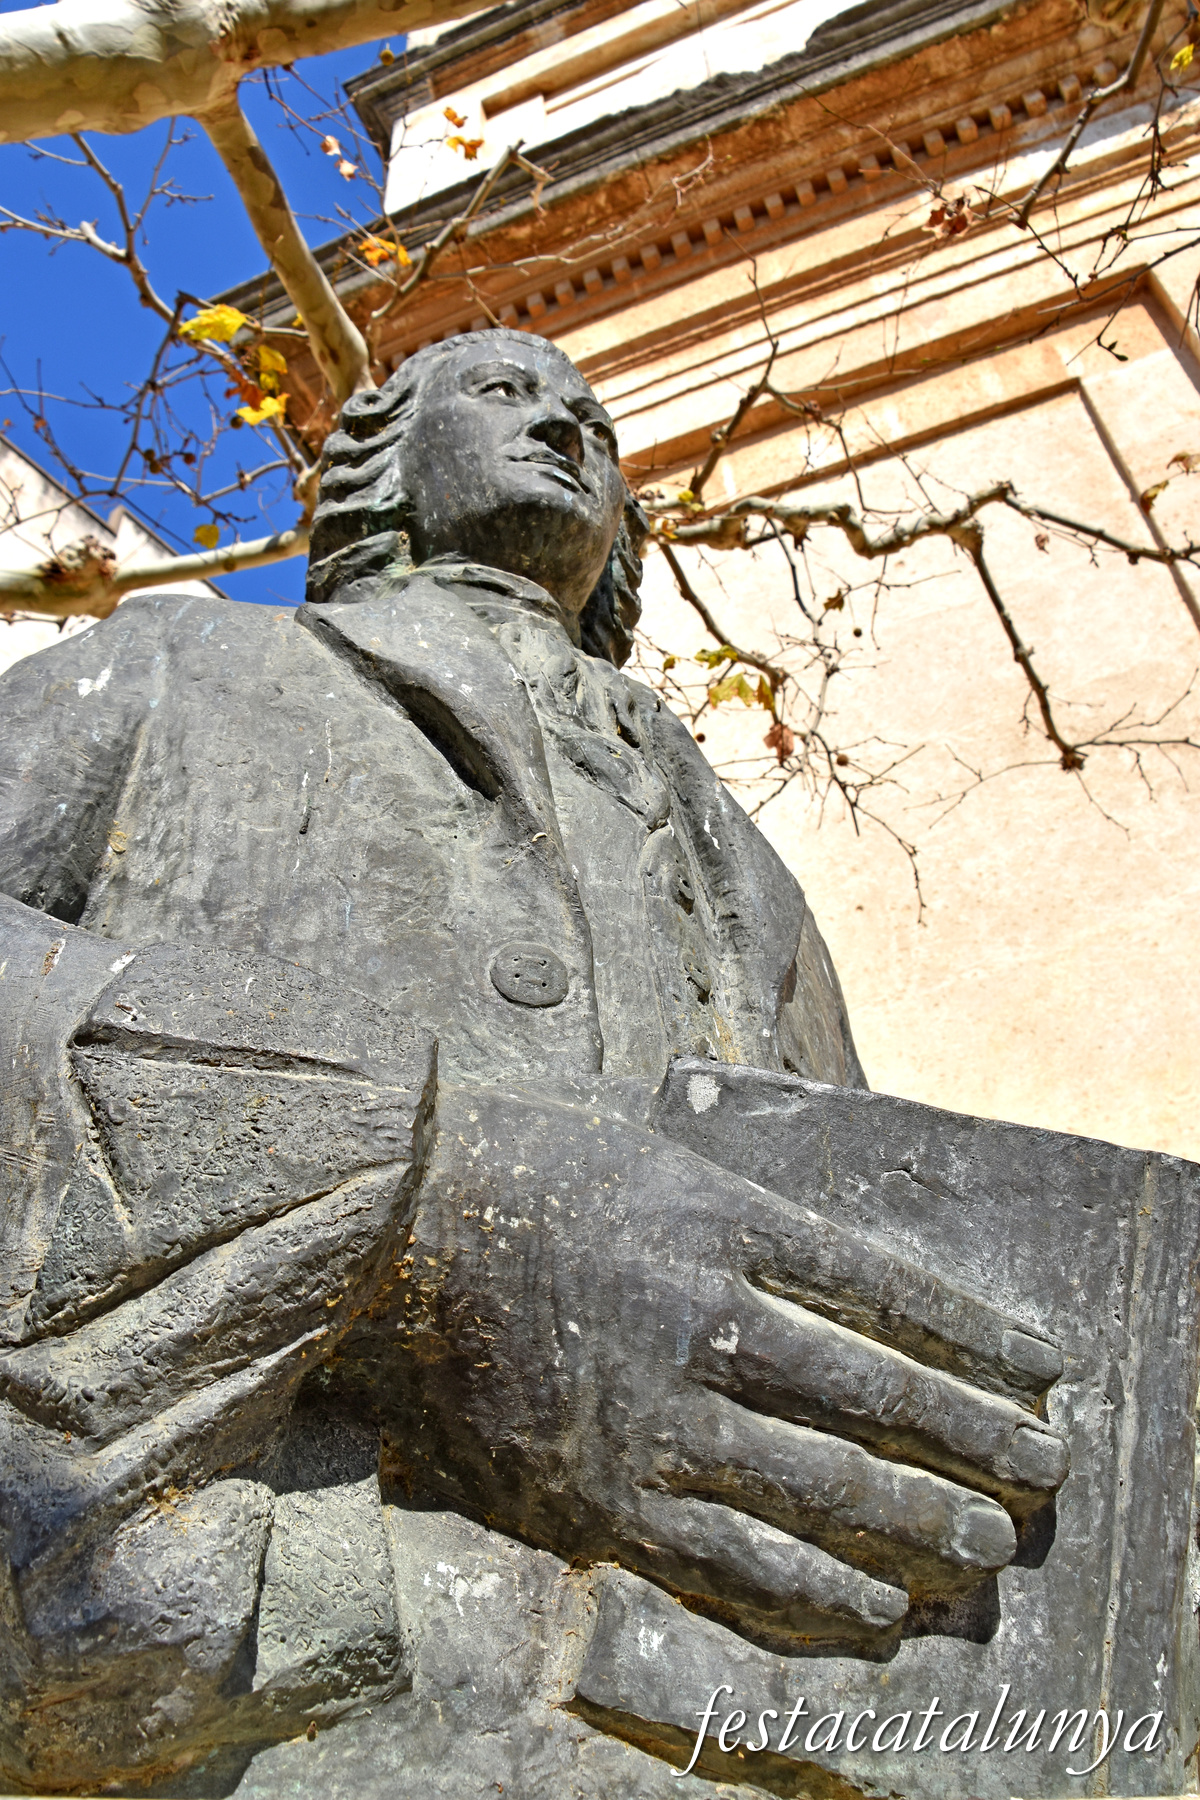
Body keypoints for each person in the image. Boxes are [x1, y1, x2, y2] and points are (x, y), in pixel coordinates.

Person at [0, 331, 1066, 1792]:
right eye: (506, 396)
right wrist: (424, 1213)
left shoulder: (751, 873)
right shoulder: (175, 667)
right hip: (278, 1690)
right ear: (383, 466)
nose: (565, 433)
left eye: (596, 426)